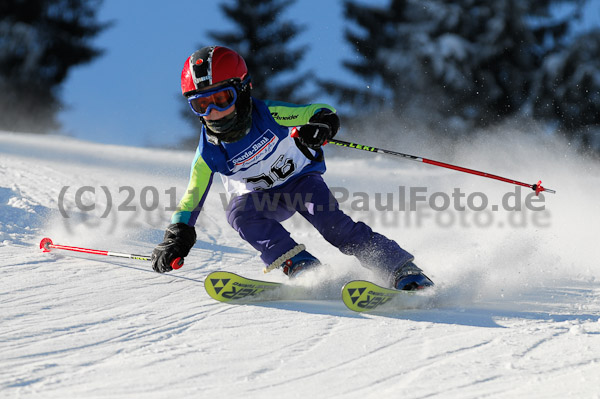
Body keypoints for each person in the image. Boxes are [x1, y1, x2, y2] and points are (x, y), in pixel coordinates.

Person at [151, 46, 433, 290]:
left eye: (222, 99)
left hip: (301, 183)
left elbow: (314, 111)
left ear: (243, 89)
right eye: (201, 104)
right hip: (260, 199)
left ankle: (400, 268)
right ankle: (300, 266)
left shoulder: (268, 114)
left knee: (336, 228)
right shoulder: (208, 153)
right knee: (238, 213)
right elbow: (191, 198)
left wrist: (321, 123)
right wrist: (177, 235)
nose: (213, 112)